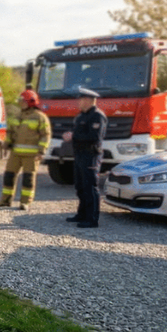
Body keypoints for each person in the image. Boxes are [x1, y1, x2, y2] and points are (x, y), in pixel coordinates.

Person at [0, 88, 51, 210]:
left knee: (28, 178)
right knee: (9, 176)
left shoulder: (40, 117)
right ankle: (5, 200)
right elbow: (10, 132)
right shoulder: (18, 115)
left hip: (32, 155)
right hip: (15, 153)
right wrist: (6, 144)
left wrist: (41, 151)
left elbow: (45, 135)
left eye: (22, 101)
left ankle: (25, 202)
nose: (20, 103)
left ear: (30, 102)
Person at [63, 87, 107, 228]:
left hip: (91, 155)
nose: (78, 102)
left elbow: (94, 137)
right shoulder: (81, 116)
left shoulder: (97, 116)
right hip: (80, 154)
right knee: (80, 186)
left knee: (90, 187)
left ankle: (92, 219)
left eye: (81, 99)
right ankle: (82, 214)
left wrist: (73, 136)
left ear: (88, 100)